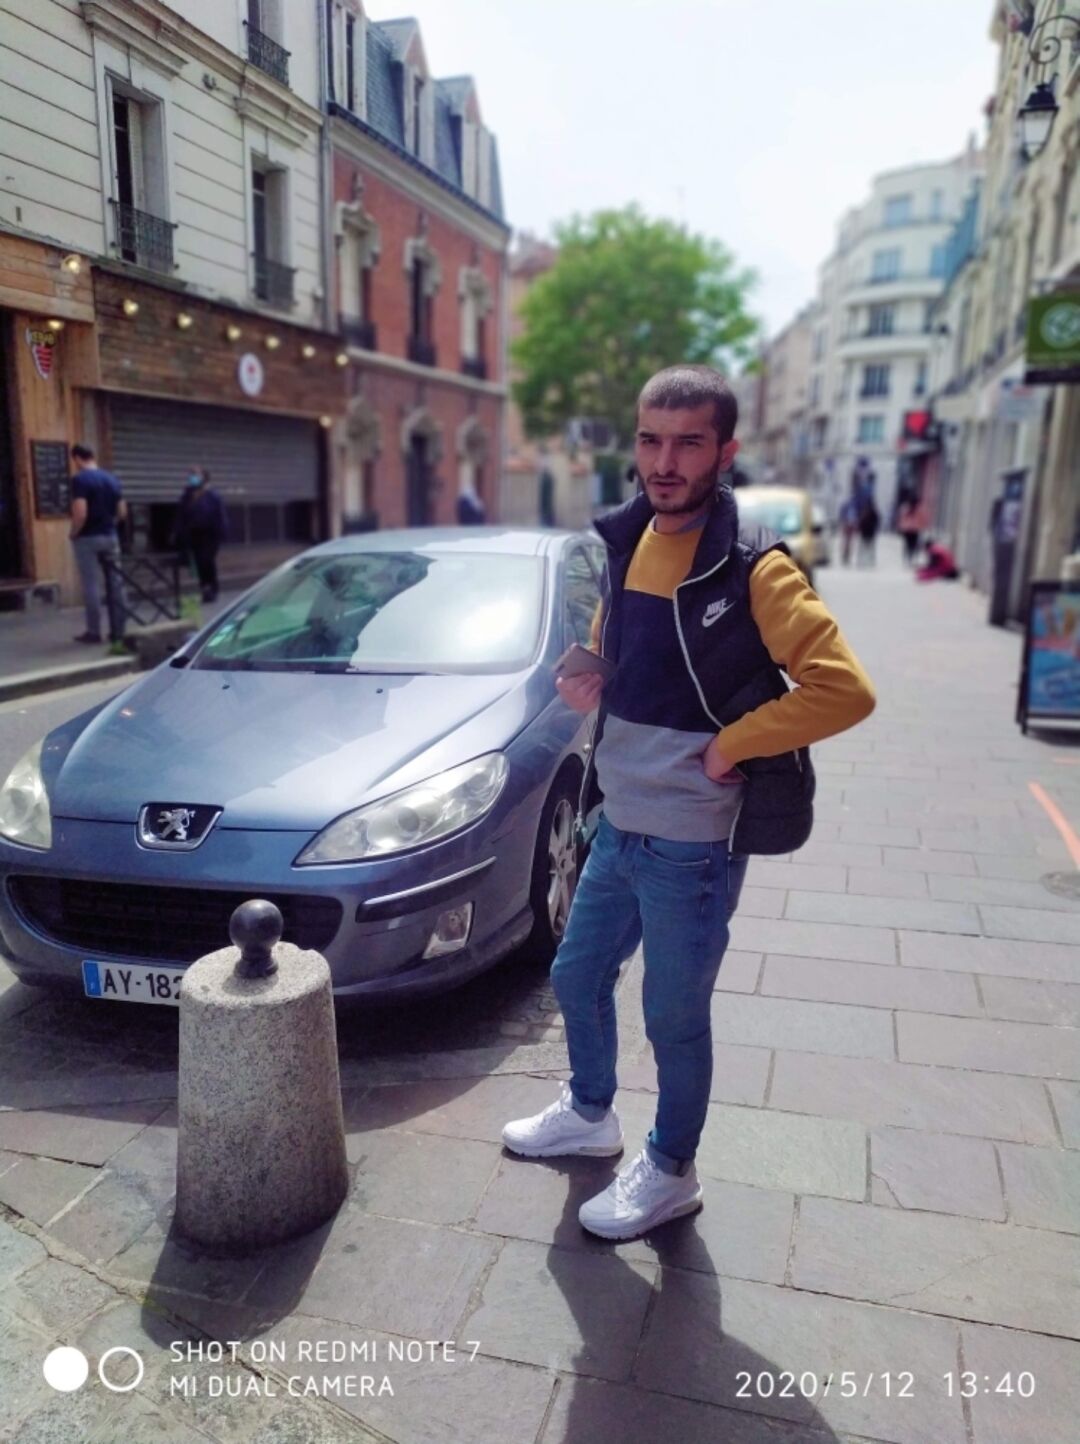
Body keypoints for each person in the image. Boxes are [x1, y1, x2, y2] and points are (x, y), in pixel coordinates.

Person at [501, 364, 876, 1240]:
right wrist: (589, 675)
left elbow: (845, 689)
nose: (664, 463)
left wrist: (733, 743)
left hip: (693, 842)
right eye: (650, 441)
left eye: (688, 443)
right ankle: (590, 1110)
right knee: (576, 973)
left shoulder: (756, 568)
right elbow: (619, 648)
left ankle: (672, 1169)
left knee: (672, 1015)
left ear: (725, 451)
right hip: (619, 821)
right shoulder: (629, 540)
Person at [69, 443, 127, 645]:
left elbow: (81, 512)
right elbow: (122, 512)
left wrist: (74, 533)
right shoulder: (112, 479)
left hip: (88, 538)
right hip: (110, 536)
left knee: (91, 585)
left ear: (77, 458)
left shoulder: (80, 480)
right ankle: (119, 630)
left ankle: (94, 632)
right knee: (116, 583)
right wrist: (110, 524)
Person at [173, 468, 228, 602]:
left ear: (204, 478)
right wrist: (177, 532)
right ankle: (204, 588)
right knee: (199, 562)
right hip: (193, 534)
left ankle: (212, 588)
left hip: (210, 535)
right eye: (191, 475)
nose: (192, 478)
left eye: (196, 475)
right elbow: (181, 515)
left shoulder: (212, 495)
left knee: (207, 560)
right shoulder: (187, 496)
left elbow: (220, 515)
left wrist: (222, 533)